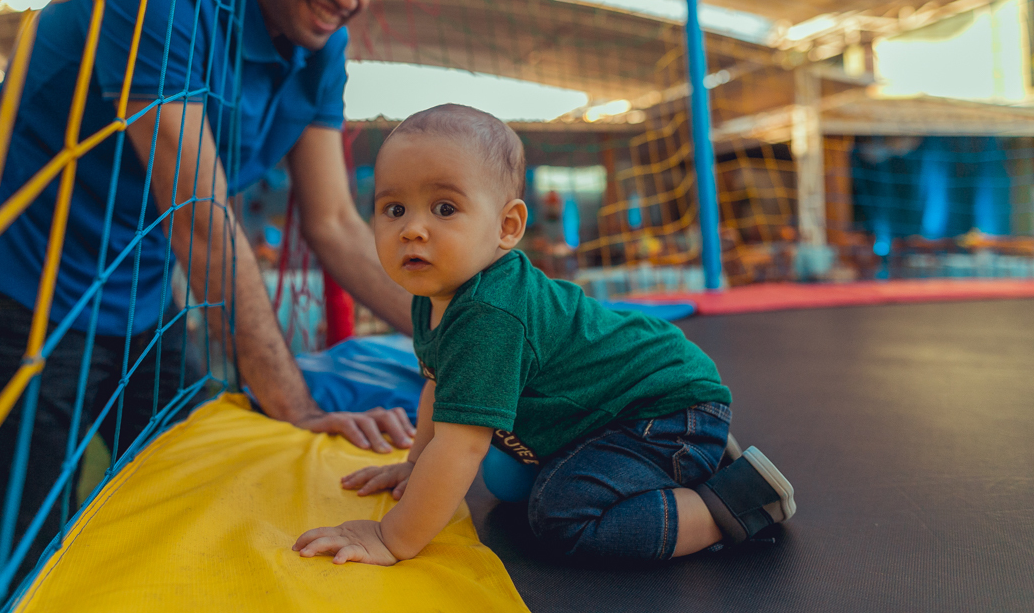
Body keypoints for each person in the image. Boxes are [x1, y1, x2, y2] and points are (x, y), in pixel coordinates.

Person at [0, 0, 414, 609]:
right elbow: (199, 220)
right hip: (22, 297)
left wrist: (467, 333)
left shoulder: (319, 44)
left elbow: (335, 223)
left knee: (196, 496)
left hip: (138, 296)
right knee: (26, 563)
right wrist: (293, 404)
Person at [292, 104, 796, 566]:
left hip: (662, 410)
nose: (412, 230)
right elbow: (438, 385)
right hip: (619, 408)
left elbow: (462, 445)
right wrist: (415, 465)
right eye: (394, 209)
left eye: (444, 209)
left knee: (561, 514)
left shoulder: (490, 314)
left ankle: (734, 500)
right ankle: (685, 464)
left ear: (507, 226)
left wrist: (391, 537)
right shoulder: (434, 296)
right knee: (506, 480)